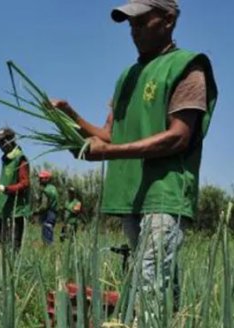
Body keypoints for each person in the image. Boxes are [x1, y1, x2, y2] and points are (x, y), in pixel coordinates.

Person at [52, 0, 217, 311]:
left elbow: (178, 137)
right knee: (157, 281)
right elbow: (111, 135)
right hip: (132, 194)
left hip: (165, 191)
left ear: (168, 20)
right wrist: (69, 114)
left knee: (149, 279)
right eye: (131, 23)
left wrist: (108, 154)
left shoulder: (188, 67)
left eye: (142, 22)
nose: (134, 30)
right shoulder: (127, 75)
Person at [0, 127, 30, 251]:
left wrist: (6, 189)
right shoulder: (6, 159)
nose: (0, 145)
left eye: (2, 142)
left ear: (11, 140)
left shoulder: (20, 158)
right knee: (1, 245)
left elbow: (25, 184)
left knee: (13, 248)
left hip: (15, 211)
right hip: (3, 209)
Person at [36, 170, 58, 245]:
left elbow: (44, 206)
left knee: (46, 234)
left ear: (47, 179)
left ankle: (48, 249)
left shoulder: (45, 191)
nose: (39, 180)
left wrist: (37, 211)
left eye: (41, 178)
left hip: (48, 214)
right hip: (54, 213)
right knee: (50, 230)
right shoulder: (54, 188)